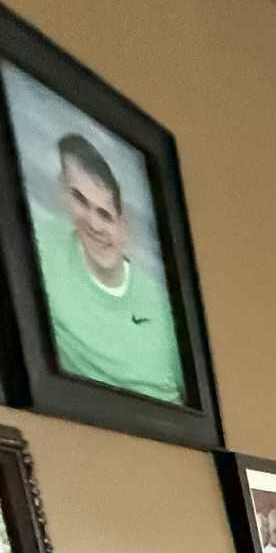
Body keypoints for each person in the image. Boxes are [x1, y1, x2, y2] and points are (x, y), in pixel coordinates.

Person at [32, 132, 183, 403]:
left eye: (105, 214)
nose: (94, 224)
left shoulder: (163, 306)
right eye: (80, 200)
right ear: (63, 193)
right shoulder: (39, 245)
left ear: (124, 227)